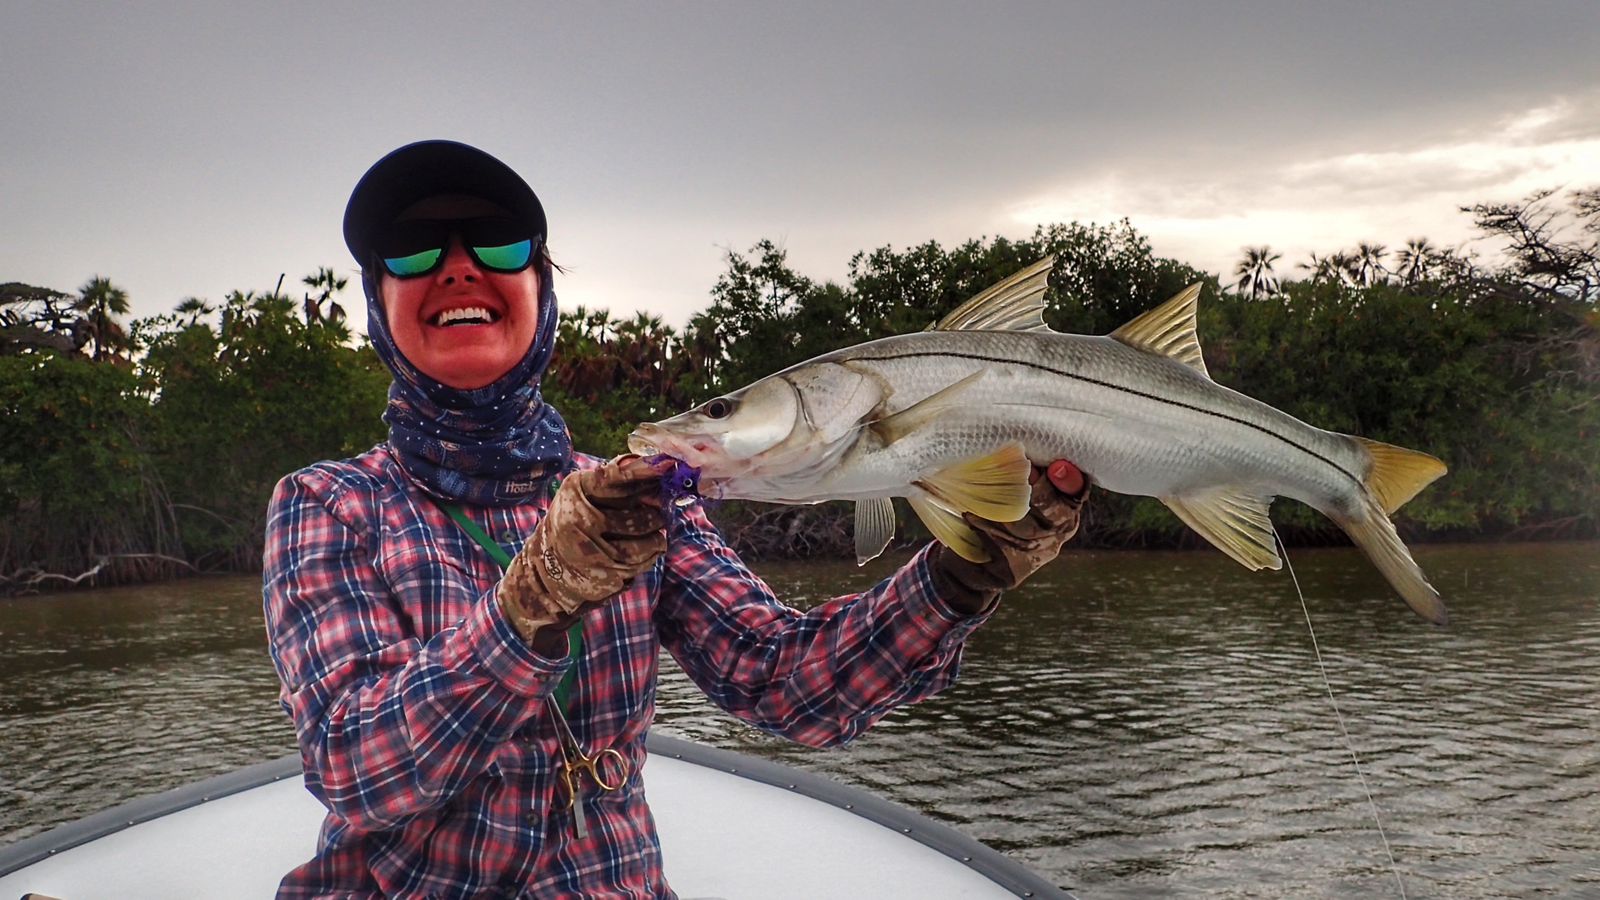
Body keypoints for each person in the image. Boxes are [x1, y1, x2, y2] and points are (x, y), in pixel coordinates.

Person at [262, 139, 1088, 899]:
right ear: (379, 301)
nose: (457, 268)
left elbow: (789, 686)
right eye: (411, 252)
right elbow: (354, 770)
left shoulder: (636, 495)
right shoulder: (331, 505)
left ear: (540, 287)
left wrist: (958, 577)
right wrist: (527, 608)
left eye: (498, 243)